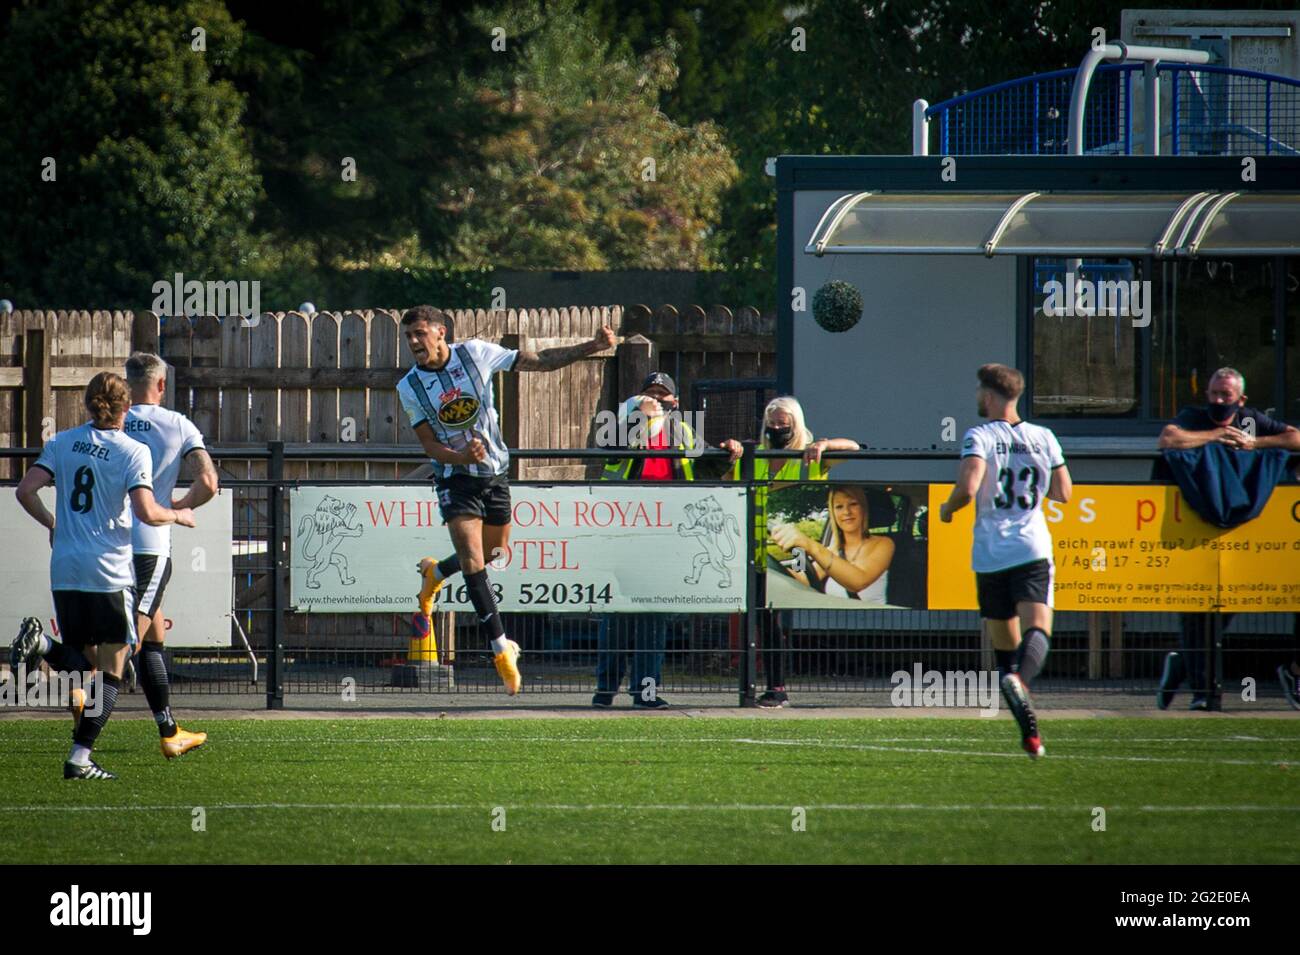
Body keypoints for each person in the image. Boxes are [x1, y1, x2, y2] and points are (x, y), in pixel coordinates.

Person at [398, 306, 615, 695]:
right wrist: (461, 457)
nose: (414, 342)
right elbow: (429, 444)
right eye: (409, 336)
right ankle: (501, 648)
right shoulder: (409, 387)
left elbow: (540, 361)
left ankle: (434, 574)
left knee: (494, 555)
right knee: (472, 560)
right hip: (455, 478)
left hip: (495, 474)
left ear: (440, 332)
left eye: (419, 333)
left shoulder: (476, 353)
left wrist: (592, 346)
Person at [10, 373, 195, 779]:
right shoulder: (132, 450)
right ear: (125, 408)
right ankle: (79, 758)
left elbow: (25, 490)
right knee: (114, 664)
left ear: (88, 404)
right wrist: (178, 515)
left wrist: (53, 523)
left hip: (65, 567)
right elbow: (147, 512)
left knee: (82, 664)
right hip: (108, 569)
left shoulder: (60, 442)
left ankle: (42, 643)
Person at [939, 363, 1071, 759]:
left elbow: (968, 486)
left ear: (991, 396)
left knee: (1004, 653)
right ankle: (1022, 683)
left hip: (990, 553)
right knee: (1038, 632)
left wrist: (948, 508)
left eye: (980, 391)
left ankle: (1031, 737)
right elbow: (1063, 491)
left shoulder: (980, 435)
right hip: (1031, 547)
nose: (977, 398)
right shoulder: (1043, 436)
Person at [1155, 367, 1300, 711]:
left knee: (1227, 604)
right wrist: (1213, 437)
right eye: (1214, 394)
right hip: (1198, 530)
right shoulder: (1194, 417)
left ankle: (1184, 665)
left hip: (1244, 534)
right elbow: (1169, 439)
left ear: (1241, 399)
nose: (1219, 401)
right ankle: (1200, 689)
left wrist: (1255, 444)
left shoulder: (1252, 420)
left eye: (1226, 396)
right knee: (1198, 610)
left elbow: (1294, 438)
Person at [594, 372, 739, 707]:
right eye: (651, 392)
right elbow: (608, 447)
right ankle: (605, 691)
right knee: (615, 615)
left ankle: (646, 693)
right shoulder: (621, 421)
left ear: (675, 402)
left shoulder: (683, 430)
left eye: (664, 394)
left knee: (653, 618)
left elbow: (707, 464)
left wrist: (728, 450)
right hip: (623, 531)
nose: (657, 399)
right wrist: (637, 416)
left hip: (666, 536)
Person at [727, 395, 860, 707]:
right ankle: (760, 686)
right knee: (759, 618)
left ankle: (777, 687)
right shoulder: (756, 453)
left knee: (774, 619)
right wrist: (731, 450)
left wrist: (825, 444)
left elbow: (853, 447)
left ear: (796, 424)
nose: (776, 427)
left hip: (792, 555)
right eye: (771, 423)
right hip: (756, 549)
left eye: (783, 423)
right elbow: (724, 471)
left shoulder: (810, 455)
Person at [771, 485, 893, 602]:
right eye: (839, 507)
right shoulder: (832, 551)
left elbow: (858, 581)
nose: (846, 512)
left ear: (863, 508)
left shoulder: (884, 544)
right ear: (833, 513)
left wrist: (809, 544)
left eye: (853, 504)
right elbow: (803, 579)